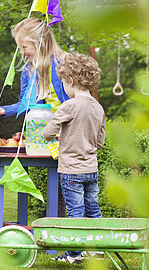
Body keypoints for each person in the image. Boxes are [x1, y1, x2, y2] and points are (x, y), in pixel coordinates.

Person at [42, 52, 106, 264]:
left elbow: (48, 133)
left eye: (63, 83)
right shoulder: (98, 107)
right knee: (93, 210)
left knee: (75, 213)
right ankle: (97, 250)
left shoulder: (69, 105)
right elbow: (99, 142)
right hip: (91, 169)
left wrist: (59, 133)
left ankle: (74, 255)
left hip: (71, 170)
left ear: (70, 80)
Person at [0, 17, 70, 120]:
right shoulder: (29, 70)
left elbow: (80, 100)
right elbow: (25, 104)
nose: (21, 52)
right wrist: (0, 110)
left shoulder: (65, 63)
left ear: (40, 42)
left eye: (24, 47)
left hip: (70, 129)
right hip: (42, 131)